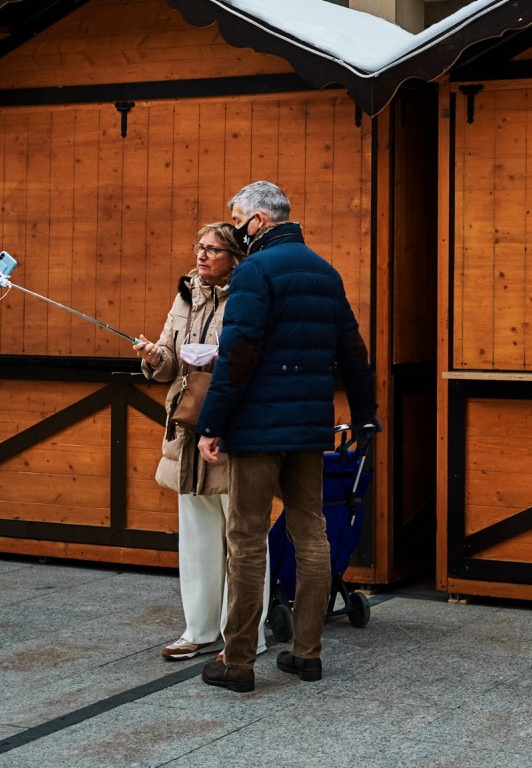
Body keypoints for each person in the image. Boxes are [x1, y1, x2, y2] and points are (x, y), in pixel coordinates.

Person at [194, 181, 376, 693]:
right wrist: (365, 416)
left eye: (235, 218)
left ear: (257, 222)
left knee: (247, 538)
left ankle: (238, 662)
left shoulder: (254, 271)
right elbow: (353, 352)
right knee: (311, 531)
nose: (232, 226)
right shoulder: (326, 272)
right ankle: (307, 653)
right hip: (309, 429)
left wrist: (213, 423)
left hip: (256, 429)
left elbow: (240, 352)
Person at [134, 223, 269, 662]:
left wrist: (215, 362)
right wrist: (156, 358)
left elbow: (254, 358)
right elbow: (171, 360)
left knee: (243, 534)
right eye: (199, 247)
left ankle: (247, 635)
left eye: (213, 249)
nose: (202, 255)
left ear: (234, 256)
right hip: (188, 428)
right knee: (195, 535)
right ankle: (198, 628)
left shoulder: (250, 293)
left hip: (234, 426)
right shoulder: (185, 295)